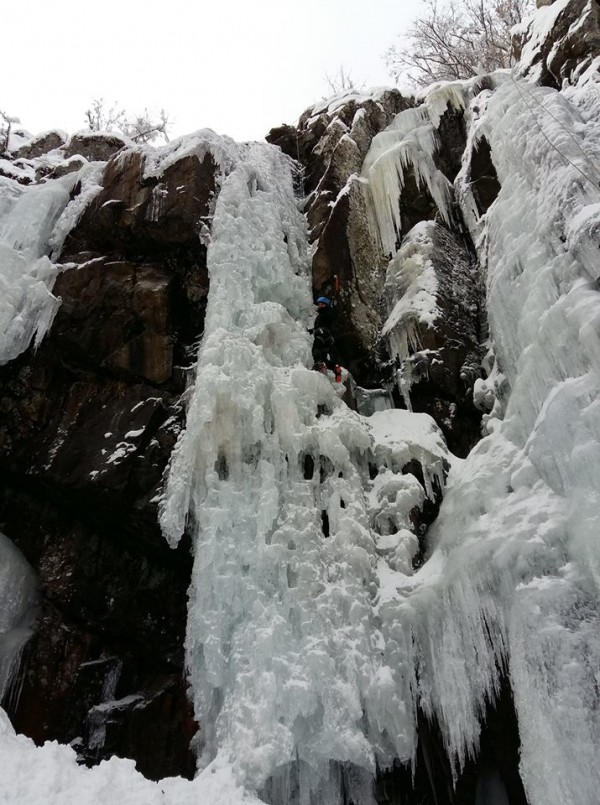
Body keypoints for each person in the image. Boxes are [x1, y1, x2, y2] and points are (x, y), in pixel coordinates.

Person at [311, 296, 342, 382]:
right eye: (319, 304)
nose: (319, 306)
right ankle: (335, 368)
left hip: (322, 334)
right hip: (327, 337)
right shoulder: (325, 314)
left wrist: (333, 306)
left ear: (326, 305)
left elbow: (328, 319)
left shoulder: (326, 313)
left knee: (316, 348)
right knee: (323, 357)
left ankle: (319, 365)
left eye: (322, 304)